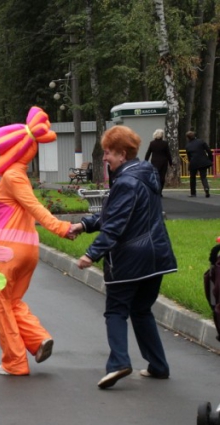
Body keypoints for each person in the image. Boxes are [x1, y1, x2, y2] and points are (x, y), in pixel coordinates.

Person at [0, 106, 75, 376]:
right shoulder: (17, 176)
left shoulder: (10, 177)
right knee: (13, 301)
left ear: (8, 149)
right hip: (27, 254)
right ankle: (37, 339)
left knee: (2, 305)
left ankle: (14, 362)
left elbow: (34, 207)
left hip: (5, 257)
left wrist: (61, 228)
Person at [72, 125, 177, 389]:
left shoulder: (126, 182)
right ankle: (158, 366)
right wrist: (84, 225)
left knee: (116, 311)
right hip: (156, 257)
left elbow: (115, 225)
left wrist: (91, 254)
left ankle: (119, 363)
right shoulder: (145, 175)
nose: (105, 157)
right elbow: (119, 216)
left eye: (108, 152)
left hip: (131, 259)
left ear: (122, 153)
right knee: (141, 310)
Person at [144, 129, 172, 196]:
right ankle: (160, 191)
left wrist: (145, 161)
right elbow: (168, 154)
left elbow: (148, 153)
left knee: (155, 176)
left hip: (155, 161)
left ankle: (155, 189)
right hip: (163, 162)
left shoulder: (152, 143)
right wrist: (171, 162)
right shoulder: (165, 143)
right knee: (162, 177)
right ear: (162, 135)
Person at [185, 130, 213, 198]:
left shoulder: (188, 146)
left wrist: (190, 162)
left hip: (193, 162)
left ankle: (193, 193)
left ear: (188, 138)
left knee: (192, 177)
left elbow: (189, 156)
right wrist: (210, 159)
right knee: (203, 176)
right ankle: (206, 189)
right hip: (203, 162)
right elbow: (208, 150)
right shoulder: (201, 141)